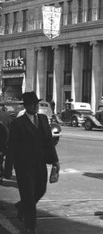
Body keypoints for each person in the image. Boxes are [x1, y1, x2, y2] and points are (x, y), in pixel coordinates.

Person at [4, 91, 60, 234]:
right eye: (32, 104)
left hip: (40, 164)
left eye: (37, 104)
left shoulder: (42, 119)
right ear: (26, 106)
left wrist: (55, 162)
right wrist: (8, 169)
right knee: (29, 196)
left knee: (41, 190)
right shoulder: (18, 123)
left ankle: (22, 207)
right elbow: (12, 146)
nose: (36, 106)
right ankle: (31, 227)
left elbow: (49, 143)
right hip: (24, 167)